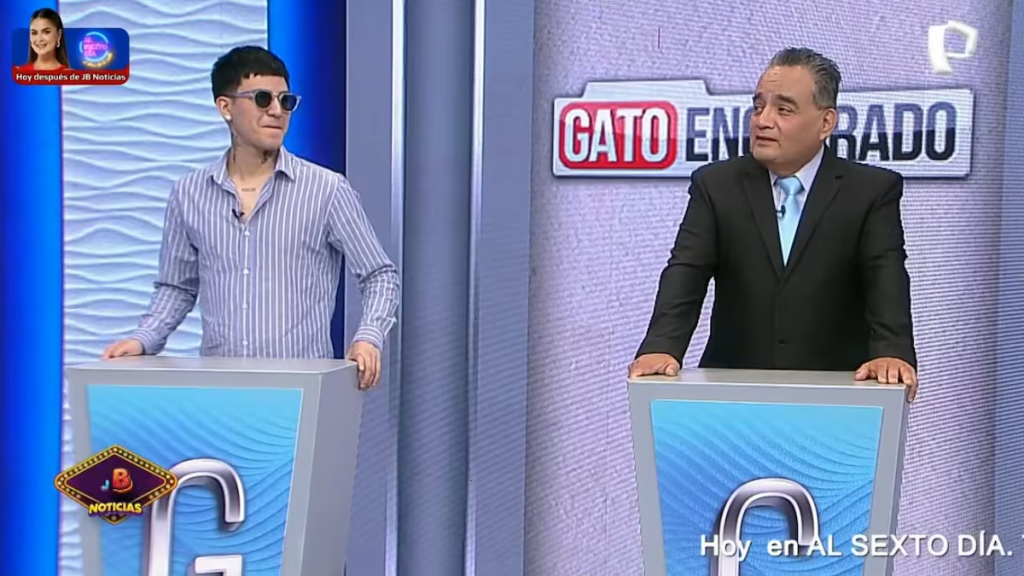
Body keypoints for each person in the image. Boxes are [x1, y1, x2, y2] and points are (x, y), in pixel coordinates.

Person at [628, 47, 919, 401]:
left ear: (826, 123)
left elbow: (885, 275)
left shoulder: (870, 191)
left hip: (837, 396)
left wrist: (892, 351)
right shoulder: (716, 185)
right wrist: (661, 346)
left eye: (784, 109)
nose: (762, 121)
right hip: (733, 393)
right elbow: (686, 270)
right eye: (758, 107)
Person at [102, 46, 400, 390]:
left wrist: (368, 337)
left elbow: (380, 275)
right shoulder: (189, 193)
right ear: (225, 107)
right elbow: (177, 287)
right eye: (262, 99)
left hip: (302, 393)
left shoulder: (326, 189)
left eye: (285, 101)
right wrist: (144, 338)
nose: (277, 111)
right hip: (221, 394)